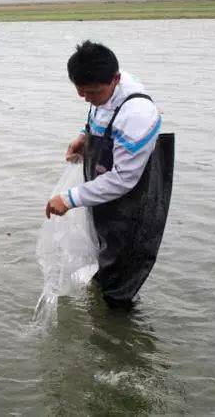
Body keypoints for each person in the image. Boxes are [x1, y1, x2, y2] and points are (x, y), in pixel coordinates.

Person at [45, 41, 174, 308]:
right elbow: (99, 111)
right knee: (104, 261)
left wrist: (69, 199)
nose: (86, 98)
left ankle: (118, 330)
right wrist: (84, 135)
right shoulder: (104, 87)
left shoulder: (137, 114)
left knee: (122, 280)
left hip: (135, 206)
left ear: (115, 79)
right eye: (80, 92)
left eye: (92, 92)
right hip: (107, 201)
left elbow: (123, 179)